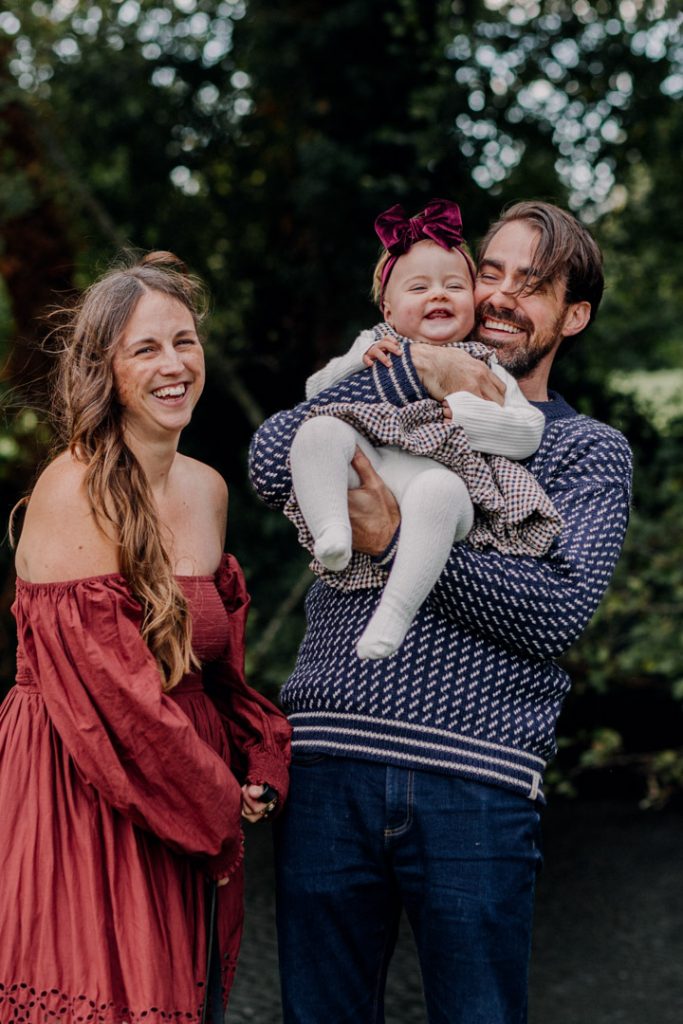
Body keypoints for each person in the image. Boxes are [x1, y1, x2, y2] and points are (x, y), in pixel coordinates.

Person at [249, 201, 633, 1023]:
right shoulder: (385, 381)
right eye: (486, 271)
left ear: (573, 315)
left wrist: (392, 539)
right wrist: (413, 372)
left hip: (476, 785)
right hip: (329, 766)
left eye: (530, 285)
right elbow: (267, 460)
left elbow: (554, 614)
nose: (497, 296)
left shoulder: (585, 451)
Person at [0, 251, 291, 1024]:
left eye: (184, 341)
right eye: (146, 348)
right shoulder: (73, 488)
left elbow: (213, 664)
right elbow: (114, 697)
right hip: (88, 784)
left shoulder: (206, 489)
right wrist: (217, 797)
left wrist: (253, 750)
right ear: (106, 369)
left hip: (182, 774)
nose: (174, 365)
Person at [289, 199, 554, 660]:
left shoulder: (484, 365)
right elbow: (313, 393)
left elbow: (529, 430)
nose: (438, 295)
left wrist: (468, 418)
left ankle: (394, 612)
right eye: (419, 287)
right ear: (389, 312)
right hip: (372, 465)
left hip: (437, 481)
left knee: (440, 492)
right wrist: (357, 365)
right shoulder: (374, 345)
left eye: (454, 286)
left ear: (472, 305)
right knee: (318, 433)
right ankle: (332, 531)